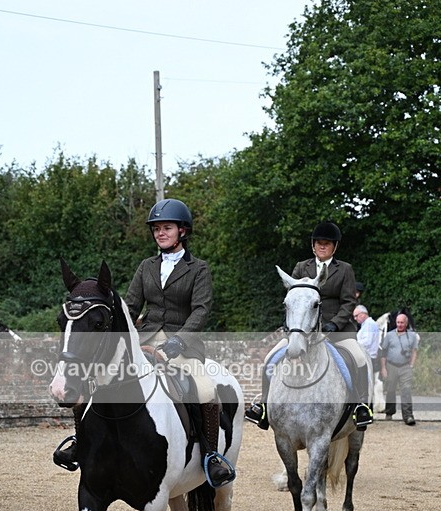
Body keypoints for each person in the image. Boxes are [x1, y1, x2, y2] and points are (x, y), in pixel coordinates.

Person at [54, 198, 235, 487]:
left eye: (167, 228)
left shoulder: (198, 268)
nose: (160, 233)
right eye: (156, 229)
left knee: (204, 388)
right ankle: (81, 440)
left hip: (183, 343)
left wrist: (177, 341)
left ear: (183, 232)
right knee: (94, 376)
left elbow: (201, 310)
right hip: (145, 339)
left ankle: (211, 456)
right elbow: (131, 306)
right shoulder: (146, 266)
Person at [246, 221, 373, 430]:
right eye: (319, 243)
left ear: (335, 246)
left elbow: (349, 302)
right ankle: (264, 406)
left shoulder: (344, 270)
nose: (322, 246)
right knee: (270, 359)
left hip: (338, 330)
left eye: (327, 243)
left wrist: (334, 324)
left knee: (359, 358)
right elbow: (293, 299)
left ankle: (361, 406)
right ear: (313, 245)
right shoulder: (301, 267)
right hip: (303, 330)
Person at [379, 313, 419, 425]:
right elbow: (383, 353)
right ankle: (389, 412)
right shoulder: (389, 336)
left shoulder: (412, 335)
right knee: (390, 390)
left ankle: (408, 416)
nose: (400, 325)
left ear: (406, 323)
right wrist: (383, 368)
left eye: (402, 322)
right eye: (398, 322)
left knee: (406, 390)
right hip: (391, 365)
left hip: (405, 366)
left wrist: (411, 365)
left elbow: (414, 351)